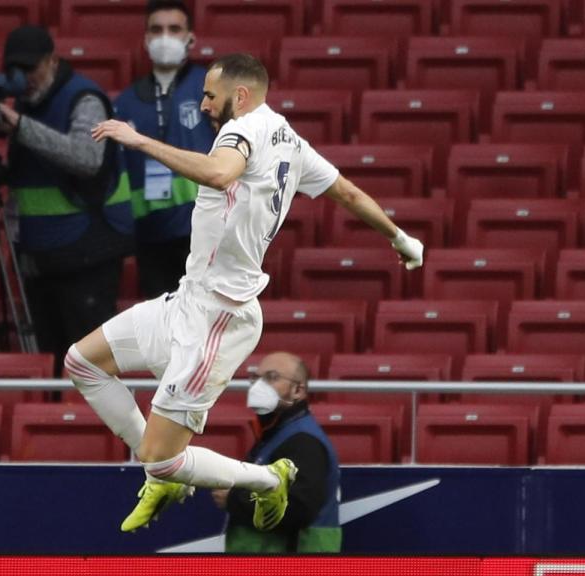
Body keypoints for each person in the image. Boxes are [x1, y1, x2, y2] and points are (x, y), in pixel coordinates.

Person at [71, 53, 423, 533]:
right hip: (186, 299)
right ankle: (162, 472)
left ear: (240, 95)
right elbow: (350, 195)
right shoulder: (293, 143)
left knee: (161, 455)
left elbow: (219, 173)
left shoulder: (244, 130)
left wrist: (138, 140)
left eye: (211, 95)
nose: (204, 103)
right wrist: (400, 238)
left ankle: (265, 479)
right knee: (82, 362)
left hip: (219, 315)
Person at [0, 25, 134, 367]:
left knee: (90, 366)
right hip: (41, 258)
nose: (24, 77)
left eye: (31, 68)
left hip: (87, 255)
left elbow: (87, 158)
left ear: (53, 61)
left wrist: (21, 128)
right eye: (16, 69)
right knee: (50, 361)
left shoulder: (84, 98)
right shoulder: (26, 104)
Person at [115, 0, 215, 298]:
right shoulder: (126, 101)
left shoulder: (210, 87)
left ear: (191, 38)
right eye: (157, 30)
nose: (165, 37)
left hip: (204, 232)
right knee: (162, 331)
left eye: (174, 29)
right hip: (150, 237)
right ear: (146, 40)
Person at [211, 352, 341, 552]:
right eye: (256, 378)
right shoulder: (275, 434)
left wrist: (235, 500)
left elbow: (298, 509)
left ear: (298, 390)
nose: (259, 386)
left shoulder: (304, 442)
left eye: (271, 378)